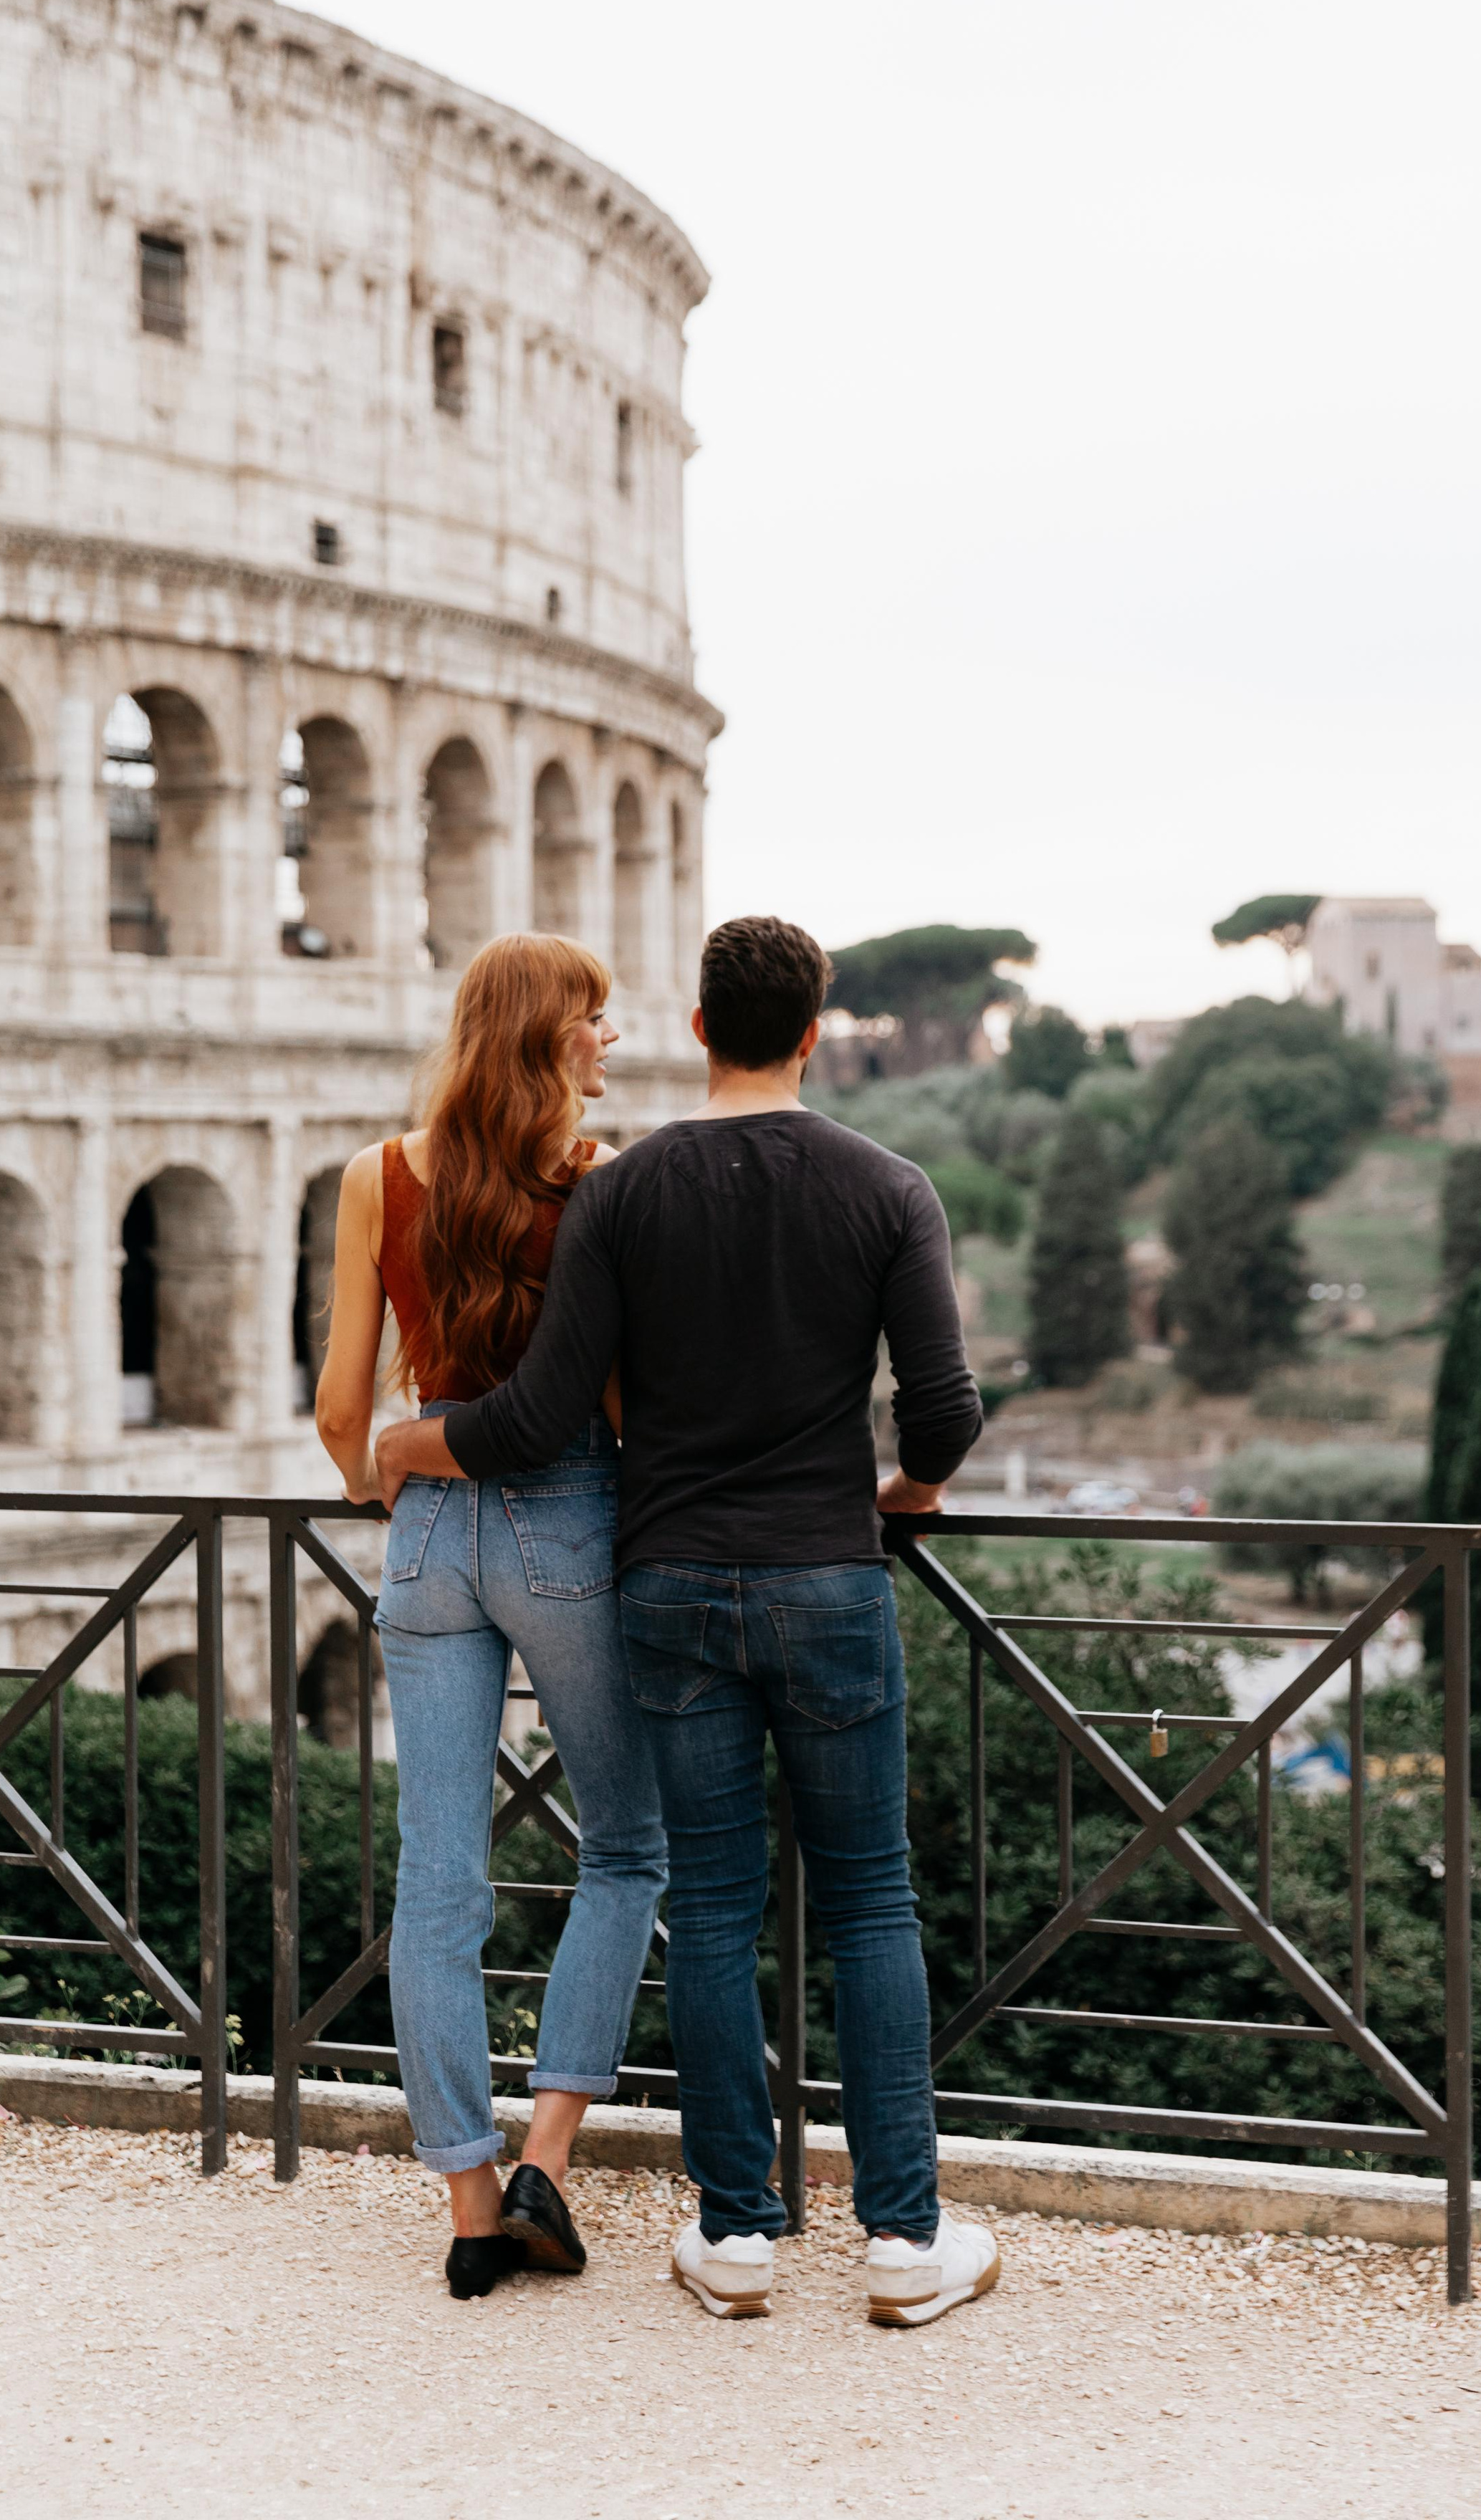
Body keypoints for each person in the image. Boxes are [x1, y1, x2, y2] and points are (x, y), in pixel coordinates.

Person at [375, 914, 997, 2329]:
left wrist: (413, 1448)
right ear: (815, 1033)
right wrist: (905, 1492)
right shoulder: (889, 1186)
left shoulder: (620, 1193)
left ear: (702, 1030)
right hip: (829, 1581)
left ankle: (733, 2237)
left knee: (710, 1909)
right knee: (868, 1904)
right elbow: (945, 1410)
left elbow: (537, 1416)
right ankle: (902, 2244)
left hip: (663, 1589)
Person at [315, 931, 666, 2301]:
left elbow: (348, 1404)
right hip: (567, 1511)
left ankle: (468, 2203)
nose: (609, 1042)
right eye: (594, 1022)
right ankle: (548, 2167)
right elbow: (627, 1405)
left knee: (438, 1882)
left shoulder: (376, 1176)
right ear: (544, 1040)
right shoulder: (599, 1187)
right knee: (627, 1847)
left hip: (425, 1533)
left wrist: (371, 1484)